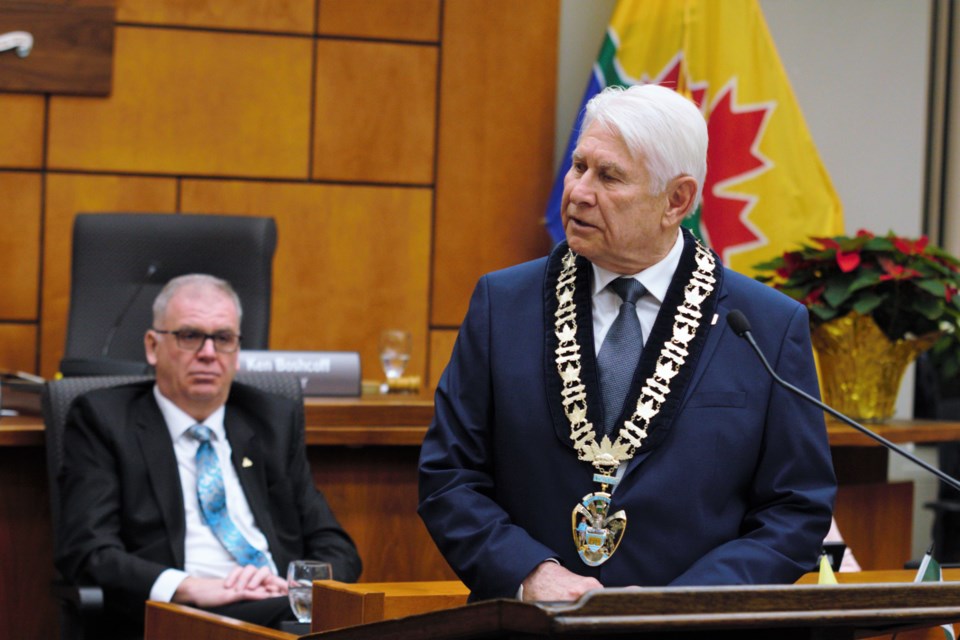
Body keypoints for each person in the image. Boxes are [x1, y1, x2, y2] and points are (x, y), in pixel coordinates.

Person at [418, 84, 836, 603]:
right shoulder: (502, 304)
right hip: (529, 627)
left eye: (609, 176)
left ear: (677, 200)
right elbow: (449, 475)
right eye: (579, 166)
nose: (578, 192)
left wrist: (683, 605)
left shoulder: (765, 328)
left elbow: (795, 509)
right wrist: (529, 574)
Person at [56, 274, 361, 637]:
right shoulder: (103, 419)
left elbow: (337, 548)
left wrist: (295, 589)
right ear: (153, 346)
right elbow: (89, 551)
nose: (208, 353)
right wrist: (189, 587)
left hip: (278, 602)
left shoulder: (270, 420)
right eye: (189, 336)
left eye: (223, 338)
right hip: (179, 613)